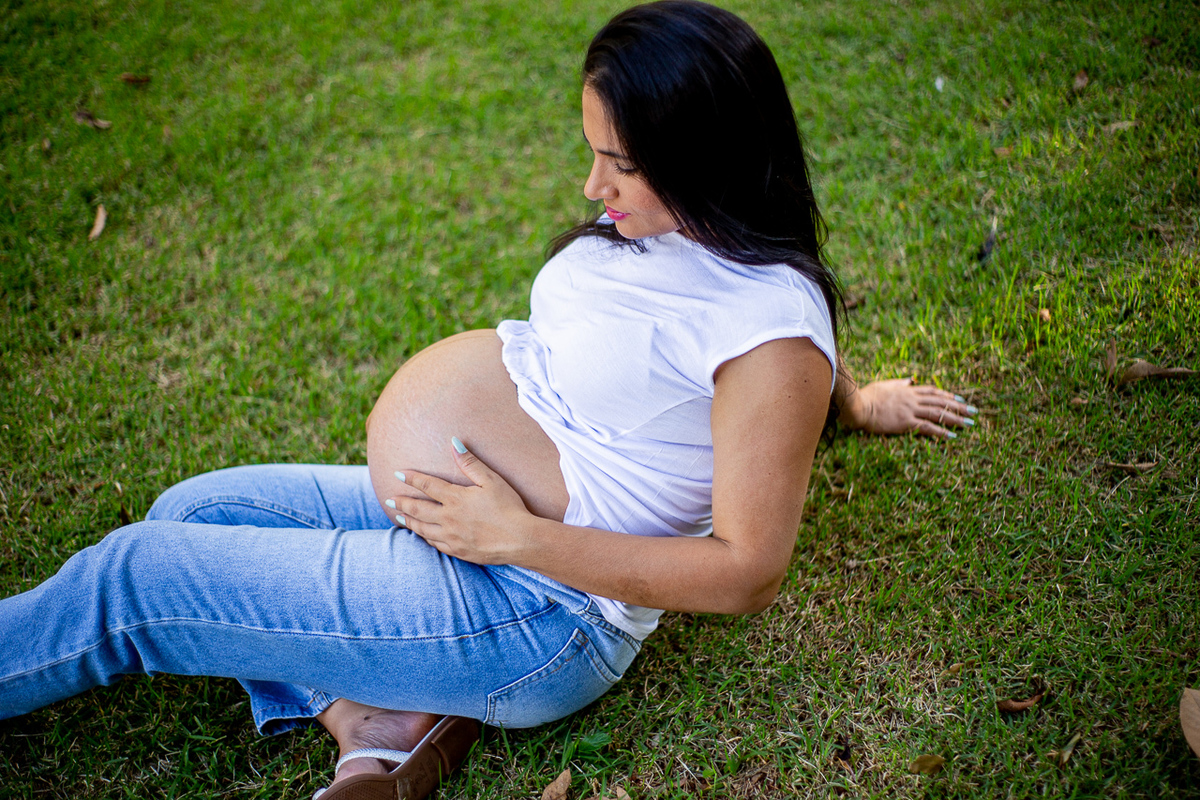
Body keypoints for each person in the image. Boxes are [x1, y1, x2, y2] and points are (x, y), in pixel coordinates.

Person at [0, 2, 977, 798]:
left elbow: (746, 571)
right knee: (196, 513)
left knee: (142, 572)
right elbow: (741, 372)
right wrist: (855, 400)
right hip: (479, 528)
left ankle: (428, 686)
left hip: (541, 608)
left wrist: (514, 537)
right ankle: (378, 725)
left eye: (622, 163)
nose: (593, 183)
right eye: (595, 148)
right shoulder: (689, 234)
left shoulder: (772, 334)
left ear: (710, 158)